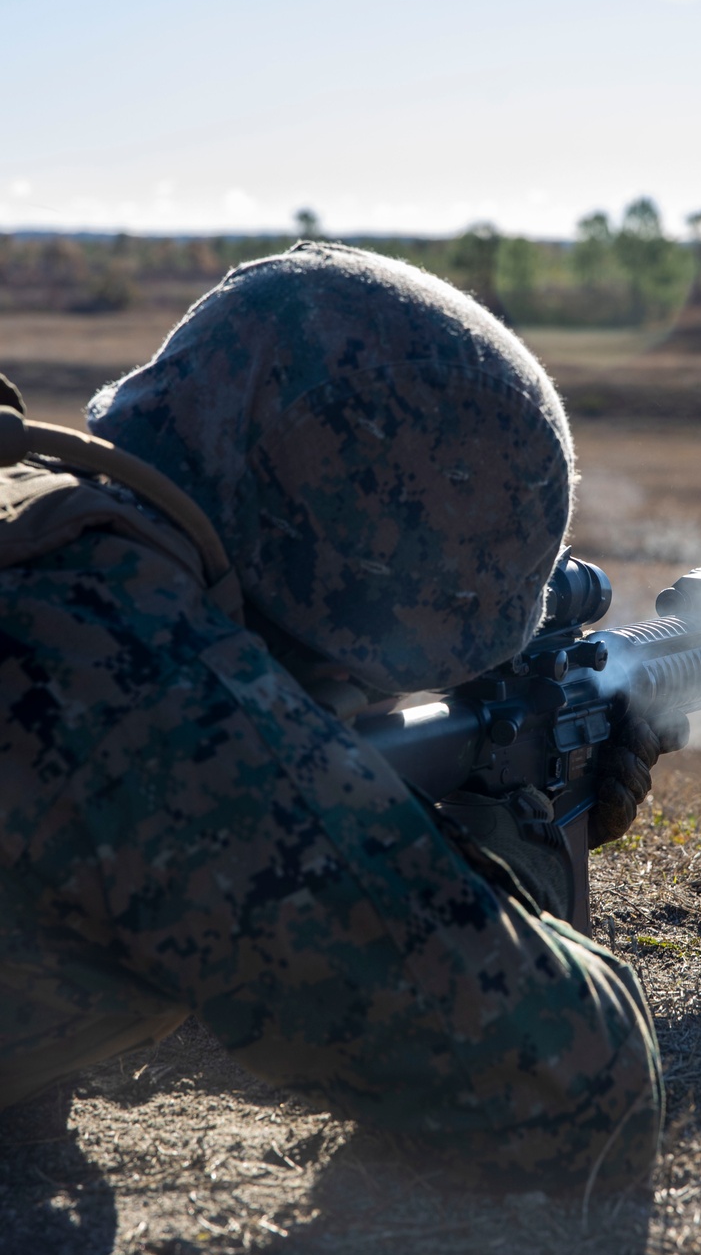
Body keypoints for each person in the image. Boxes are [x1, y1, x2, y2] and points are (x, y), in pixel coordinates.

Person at [0, 242, 664, 1190]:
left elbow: (175, 913)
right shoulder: (131, 660)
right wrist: (496, 858)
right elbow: (577, 1085)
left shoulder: (46, 535)